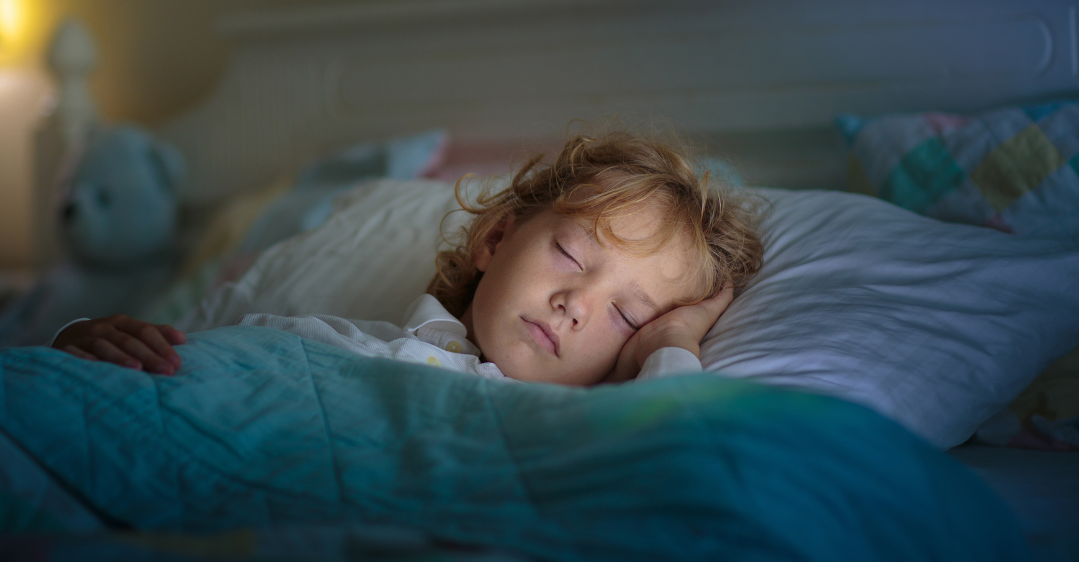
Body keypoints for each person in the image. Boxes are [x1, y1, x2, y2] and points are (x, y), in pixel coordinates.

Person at [52, 131, 766, 386]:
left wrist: (674, 343)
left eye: (626, 313)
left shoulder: (591, 425)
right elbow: (180, 375)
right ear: (494, 241)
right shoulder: (332, 341)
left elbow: (679, 449)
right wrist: (73, 346)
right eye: (572, 255)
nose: (576, 304)